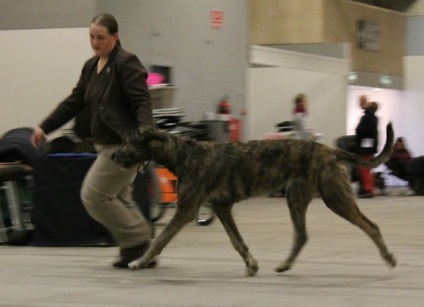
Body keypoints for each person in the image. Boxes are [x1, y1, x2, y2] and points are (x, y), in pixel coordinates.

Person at [31, 13, 156, 269]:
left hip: (124, 147)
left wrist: (144, 134)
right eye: (91, 37)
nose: (95, 42)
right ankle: (135, 248)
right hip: (104, 146)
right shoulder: (91, 67)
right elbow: (73, 103)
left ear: (115, 37)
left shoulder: (126, 63)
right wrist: (45, 127)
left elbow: (142, 101)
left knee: (93, 196)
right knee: (120, 199)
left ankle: (139, 239)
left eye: (101, 37)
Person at [355, 101, 379, 198]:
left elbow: (362, 130)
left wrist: (358, 130)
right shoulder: (375, 118)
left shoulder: (366, 117)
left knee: (364, 168)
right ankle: (370, 188)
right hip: (371, 146)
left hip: (365, 146)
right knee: (368, 168)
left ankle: (368, 189)